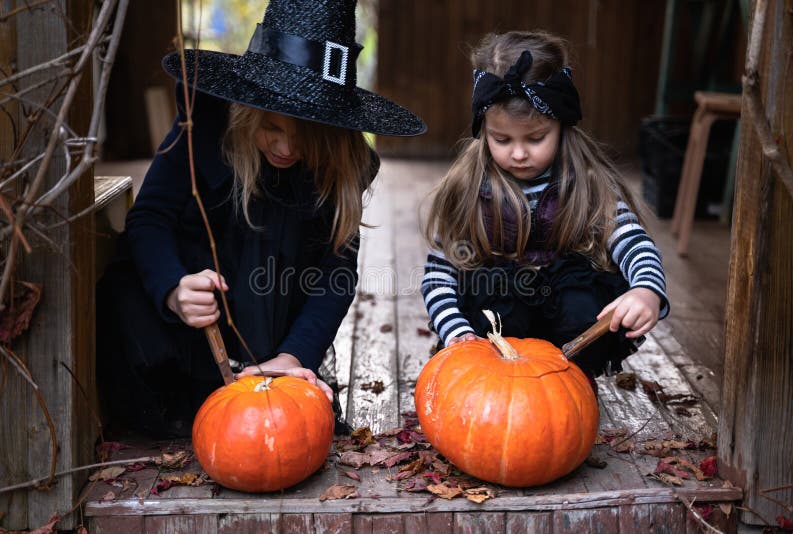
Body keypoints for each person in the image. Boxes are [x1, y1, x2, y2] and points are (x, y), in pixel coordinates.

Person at [97, 0, 426, 438]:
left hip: (274, 328)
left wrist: (296, 355)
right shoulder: (204, 127)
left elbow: (336, 273)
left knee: (281, 430)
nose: (286, 148)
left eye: (305, 136)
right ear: (250, 110)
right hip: (184, 334)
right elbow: (149, 218)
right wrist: (173, 288)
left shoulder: (341, 164)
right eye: (272, 128)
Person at [420, 30, 669, 381]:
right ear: (483, 130)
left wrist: (647, 289)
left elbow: (633, 241)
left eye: (536, 138)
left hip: (569, 331)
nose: (519, 153)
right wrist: (455, 331)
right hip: (499, 339)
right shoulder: (469, 190)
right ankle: (504, 383)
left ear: (562, 125)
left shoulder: (586, 185)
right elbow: (438, 274)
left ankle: (570, 386)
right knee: (493, 296)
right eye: (501, 139)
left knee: (583, 300)